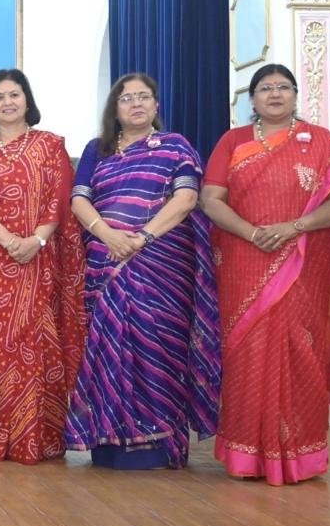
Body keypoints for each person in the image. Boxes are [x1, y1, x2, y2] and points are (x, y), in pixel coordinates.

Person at [200, 63, 330, 485]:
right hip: (244, 259)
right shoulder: (234, 141)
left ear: (296, 95)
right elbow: (211, 198)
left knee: (304, 352)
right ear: (253, 99)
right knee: (247, 351)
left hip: (305, 260)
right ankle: (246, 455)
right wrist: (252, 232)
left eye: (283, 87)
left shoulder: (320, 142)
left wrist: (294, 227)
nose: (275, 94)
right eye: (265, 88)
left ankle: (301, 456)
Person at [64, 73, 220, 469]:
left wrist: (141, 239)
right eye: (126, 98)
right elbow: (79, 202)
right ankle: (109, 443)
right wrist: (109, 235)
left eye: (143, 97)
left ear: (155, 105)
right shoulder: (97, 150)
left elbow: (186, 199)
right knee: (108, 348)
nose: (135, 103)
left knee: (158, 349)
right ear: (114, 108)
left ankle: (157, 446)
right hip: (106, 261)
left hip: (162, 267)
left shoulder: (176, 146)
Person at [0, 68, 84, 464]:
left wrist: (37, 240)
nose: (7, 103)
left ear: (27, 100)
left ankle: (38, 436)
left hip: (40, 258)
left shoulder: (49, 146)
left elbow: (59, 201)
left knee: (36, 343)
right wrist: (10, 240)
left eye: (14, 95)